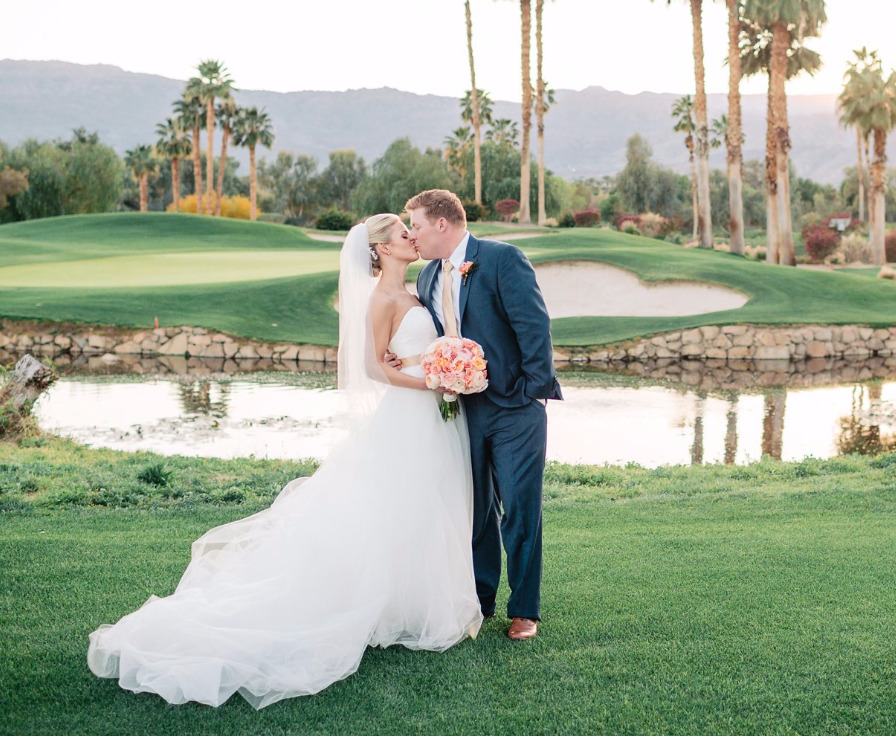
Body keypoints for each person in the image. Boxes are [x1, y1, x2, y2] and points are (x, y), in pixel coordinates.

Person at [86, 214, 481, 709]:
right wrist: (431, 381)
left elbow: (413, 349)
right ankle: (366, 604)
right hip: (410, 412)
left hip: (433, 415)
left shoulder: (420, 288)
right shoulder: (381, 299)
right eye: (402, 232)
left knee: (423, 507)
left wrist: (445, 366)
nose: (411, 236)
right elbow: (370, 367)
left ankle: (411, 606)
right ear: (379, 249)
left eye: (410, 229)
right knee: (392, 507)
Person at [405, 189, 561, 641]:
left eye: (415, 224)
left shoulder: (502, 259)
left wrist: (531, 394)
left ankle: (525, 609)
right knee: (475, 511)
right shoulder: (427, 278)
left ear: (441, 223)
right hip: (460, 412)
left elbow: (535, 327)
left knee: (520, 510)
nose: (412, 234)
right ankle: (481, 600)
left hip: (514, 409)